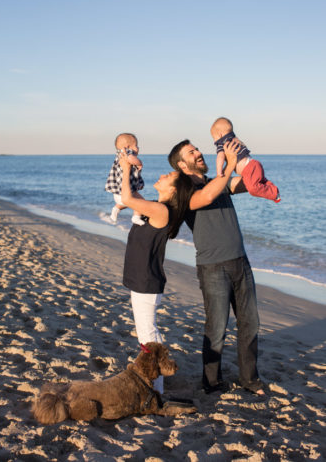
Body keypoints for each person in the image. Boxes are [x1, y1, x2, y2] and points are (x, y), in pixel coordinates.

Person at [168, 139, 265, 396]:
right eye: (192, 152)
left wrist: (245, 160)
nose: (199, 153)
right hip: (212, 267)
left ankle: (250, 379)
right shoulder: (183, 189)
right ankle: (211, 382)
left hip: (240, 262)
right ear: (181, 164)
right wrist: (229, 165)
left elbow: (248, 183)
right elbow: (207, 196)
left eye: (197, 149)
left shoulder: (217, 181)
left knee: (250, 324)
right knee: (217, 327)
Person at [119, 151, 195, 394]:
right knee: (147, 335)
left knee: (148, 338)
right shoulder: (156, 207)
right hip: (141, 281)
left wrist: (125, 167)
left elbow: (127, 197)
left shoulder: (162, 212)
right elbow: (131, 194)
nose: (162, 175)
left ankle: (158, 388)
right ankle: (155, 382)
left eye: (169, 175)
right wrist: (129, 164)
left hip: (146, 283)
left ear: (173, 190)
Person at [211, 117, 280, 202]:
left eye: (213, 138)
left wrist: (219, 172)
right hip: (253, 164)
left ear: (219, 134)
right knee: (259, 183)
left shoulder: (222, 143)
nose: (214, 141)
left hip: (249, 168)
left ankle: (274, 193)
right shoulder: (234, 139)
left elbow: (220, 157)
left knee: (252, 189)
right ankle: (271, 188)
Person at [105, 133, 145, 225]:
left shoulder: (119, 154)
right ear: (128, 147)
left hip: (119, 193)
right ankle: (136, 217)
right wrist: (139, 163)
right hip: (126, 192)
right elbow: (130, 159)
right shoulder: (128, 153)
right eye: (136, 145)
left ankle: (116, 209)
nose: (138, 148)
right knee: (141, 202)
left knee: (126, 203)